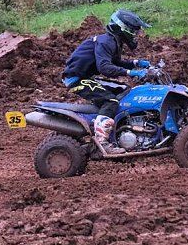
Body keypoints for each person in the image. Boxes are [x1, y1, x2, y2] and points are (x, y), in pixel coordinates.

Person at [61, 9, 151, 154]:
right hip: (76, 79)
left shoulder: (113, 41)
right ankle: (102, 143)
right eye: (133, 31)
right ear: (123, 28)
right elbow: (105, 67)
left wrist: (136, 63)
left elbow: (114, 62)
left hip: (85, 77)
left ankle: (117, 129)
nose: (135, 35)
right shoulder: (106, 41)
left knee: (124, 90)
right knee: (110, 101)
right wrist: (131, 72)